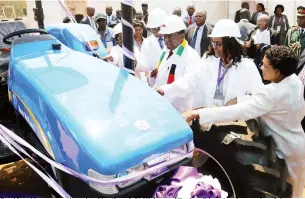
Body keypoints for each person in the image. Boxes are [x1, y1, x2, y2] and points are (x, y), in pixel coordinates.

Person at [183, 45, 305, 198]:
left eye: (265, 66)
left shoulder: (272, 93)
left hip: (283, 149)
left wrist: (198, 113)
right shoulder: (293, 81)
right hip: (298, 142)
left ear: (277, 72)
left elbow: (239, 111)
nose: (261, 67)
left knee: (285, 191)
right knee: (297, 191)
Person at [193, 19, 263, 108]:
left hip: (232, 117)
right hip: (208, 115)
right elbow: (195, 86)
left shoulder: (247, 66)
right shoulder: (208, 61)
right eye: (213, 43)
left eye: (217, 44)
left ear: (230, 45)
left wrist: (238, 100)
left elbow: (259, 96)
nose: (214, 47)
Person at [153, 15, 201, 113]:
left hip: (179, 111)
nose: (166, 40)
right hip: (162, 107)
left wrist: (165, 89)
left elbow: (188, 83)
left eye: (170, 36)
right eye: (165, 36)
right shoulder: (165, 51)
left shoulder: (191, 56)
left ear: (182, 36)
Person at [135, 8, 167, 87]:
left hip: (170, 79)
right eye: (153, 29)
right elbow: (144, 64)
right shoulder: (147, 42)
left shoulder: (172, 40)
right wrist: (136, 63)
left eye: (157, 28)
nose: (155, 30)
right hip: (155, 82)